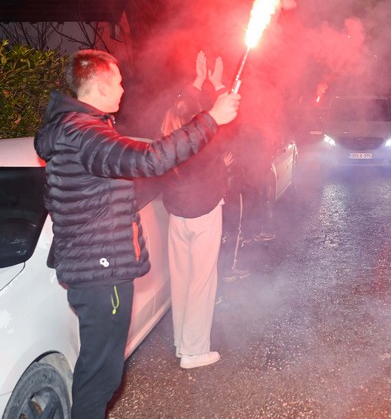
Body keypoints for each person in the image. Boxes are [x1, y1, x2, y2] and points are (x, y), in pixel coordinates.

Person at [34, 49, 240, 418]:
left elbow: (65, 191)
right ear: (99, 86)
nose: (124, 88)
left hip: (92, 266)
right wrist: (211, 119)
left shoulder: (72, 130)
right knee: (101, 376)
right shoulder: (86, 134)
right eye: (118, 81)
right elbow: (150, 160)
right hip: (102, 270)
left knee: (98, 371)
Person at [160, 51, 231, 369]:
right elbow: (223, 122)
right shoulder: (202, 138)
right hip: (203, 211)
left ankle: (181, 343)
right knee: (202, 281)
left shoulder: (171, 128)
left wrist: (199, 81)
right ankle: (194, 351)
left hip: (178, 213)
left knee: (182, 278)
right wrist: (215, 87)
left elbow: (187, 111)